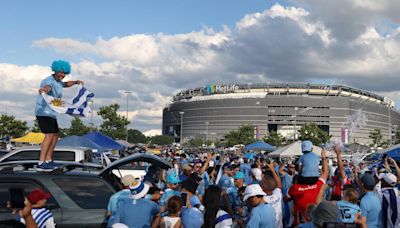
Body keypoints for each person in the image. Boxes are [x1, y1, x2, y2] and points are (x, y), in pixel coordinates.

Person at [35, 60, 83, 171]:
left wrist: (76, 82)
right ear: (55, 70)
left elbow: (66, 84)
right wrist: (44, 90)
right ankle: (41, 162)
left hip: (51, 113)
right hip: (43, 112)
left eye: (64, 73)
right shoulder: (49, 81)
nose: (62, 75)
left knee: (56, 135)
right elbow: (48, 88)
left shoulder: (59, 82)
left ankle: (48, 159)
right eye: (60, 72)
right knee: (49, 135)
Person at [286, 147, 329, 226]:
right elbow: (325, 172)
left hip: (299, 224)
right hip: (315, 224)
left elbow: (286, 199)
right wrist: (323, 157)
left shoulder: (295, 188)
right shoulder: (318, 184)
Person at [261, 162, 283, 228]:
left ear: (262, 187)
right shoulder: (277, 194)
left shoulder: (262, 199)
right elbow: (279, 184)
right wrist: (273, 170)